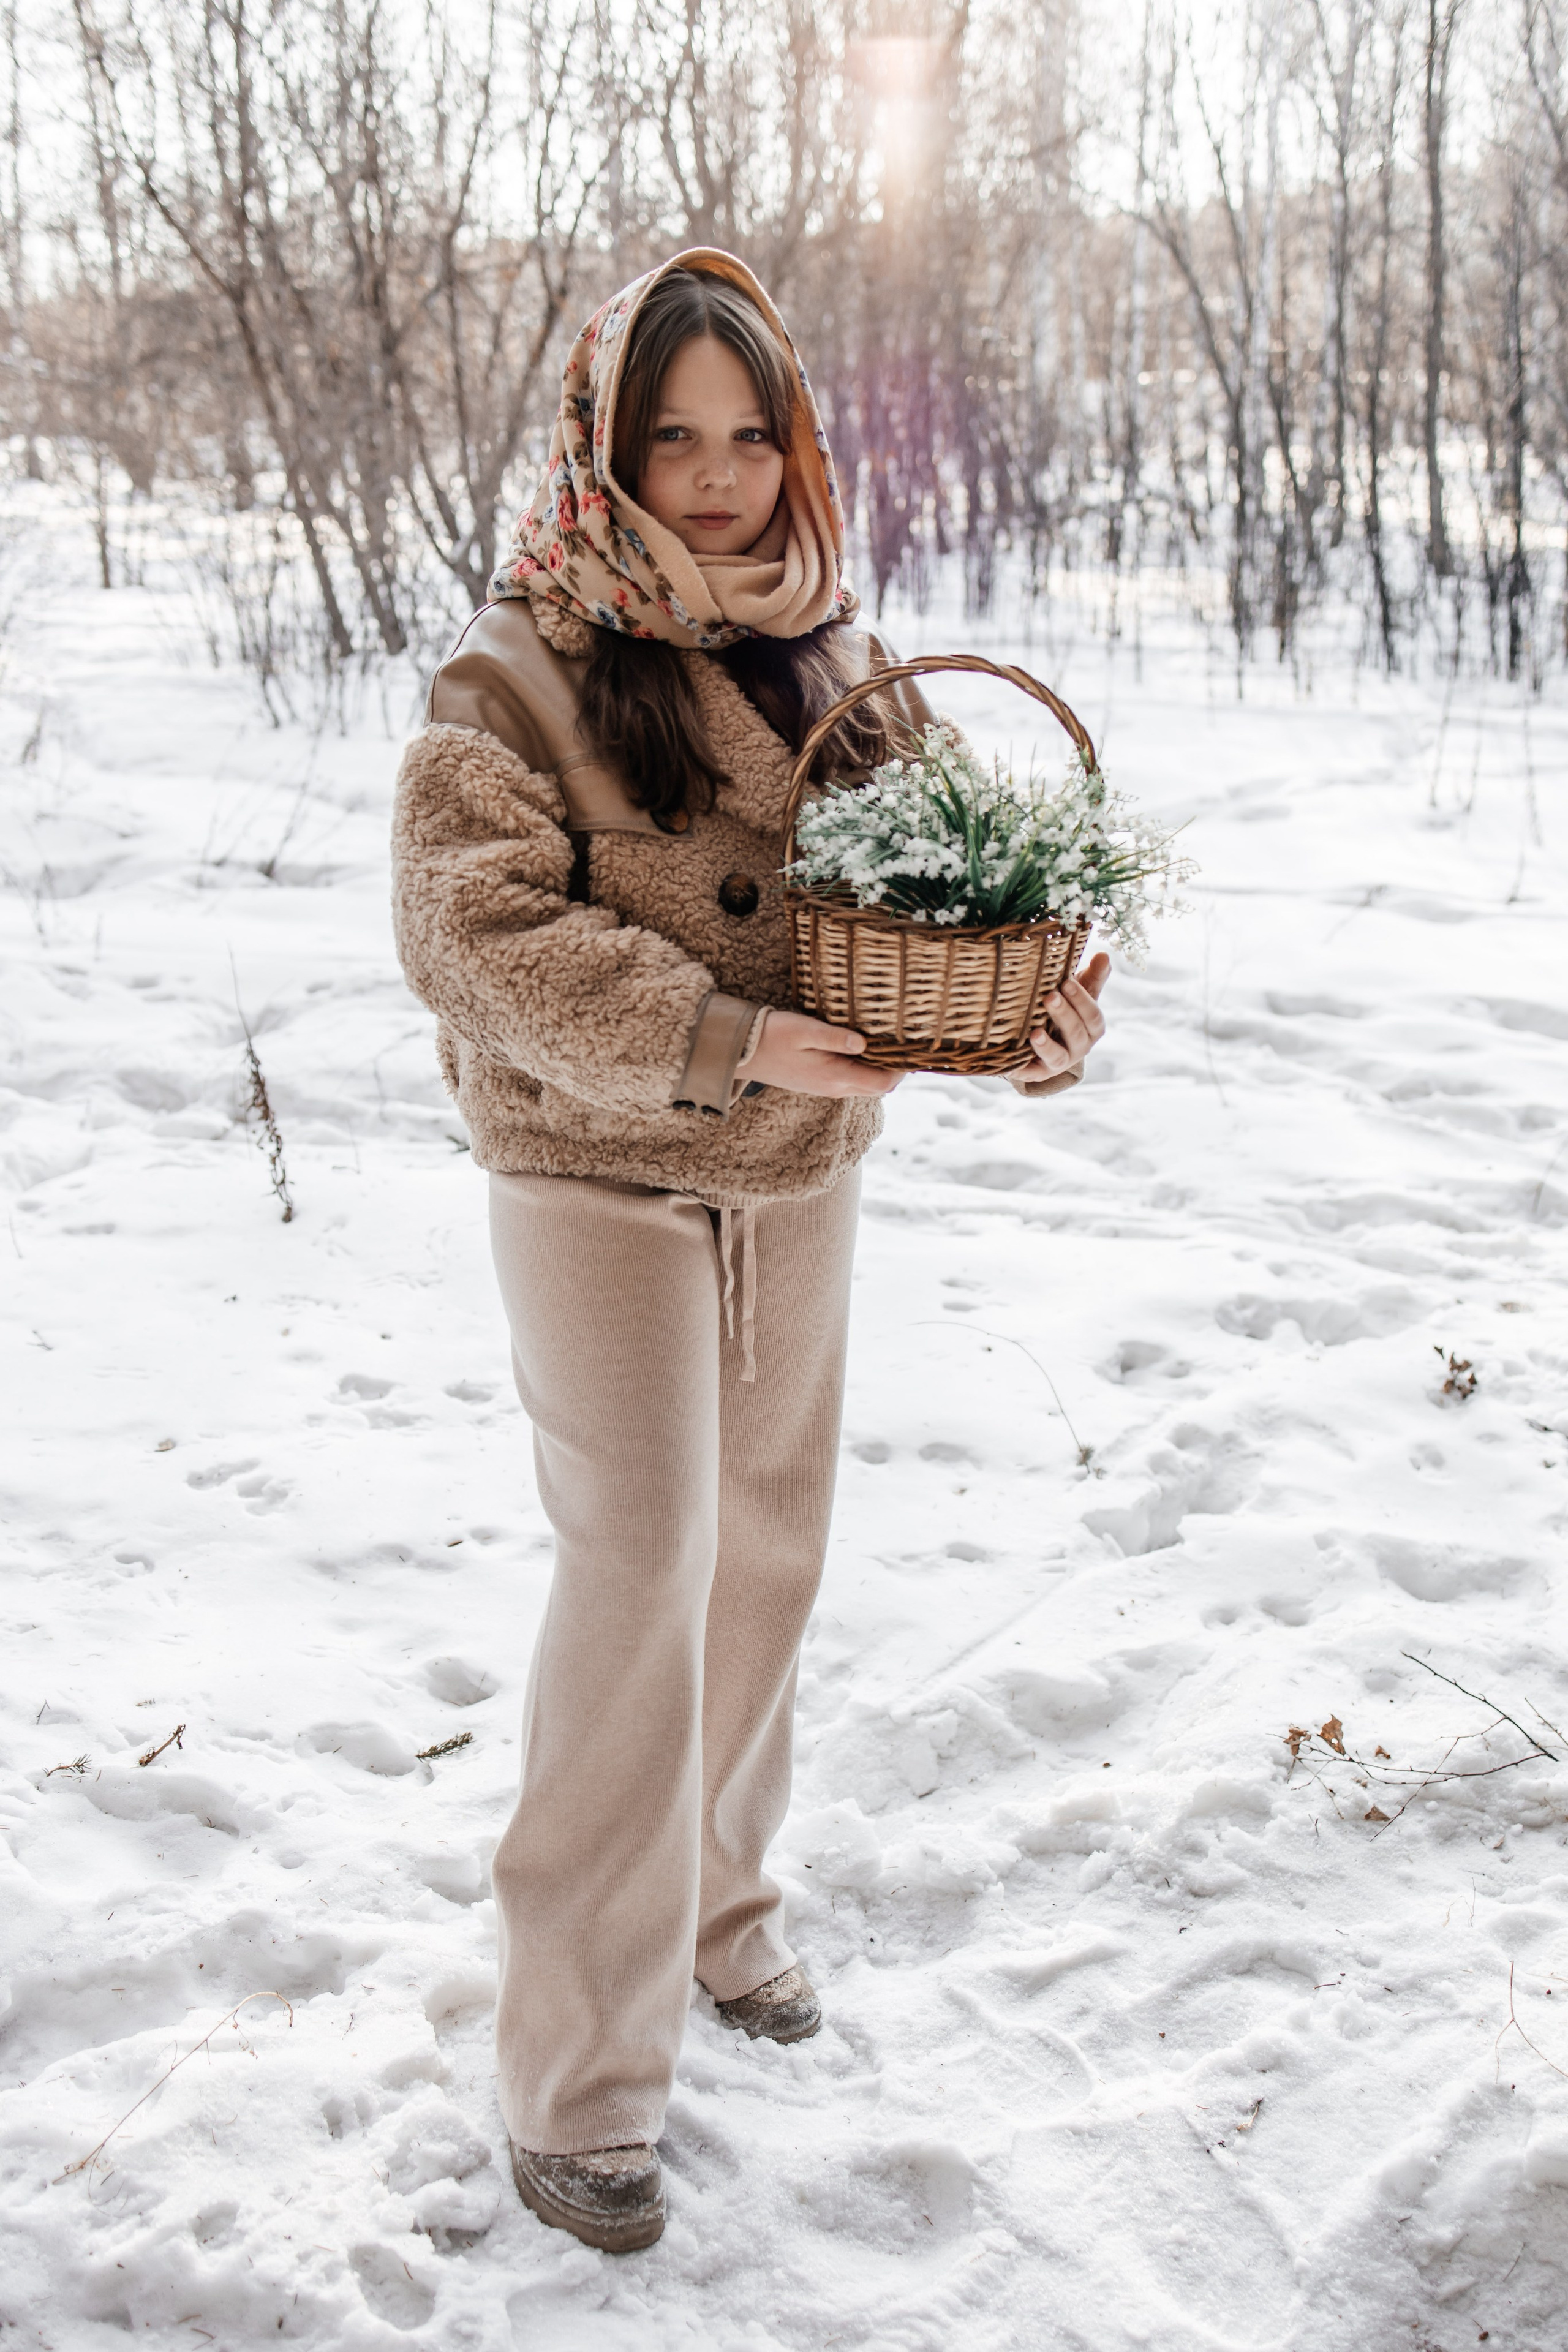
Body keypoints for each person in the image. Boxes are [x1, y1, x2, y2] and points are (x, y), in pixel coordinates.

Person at [391, 249, 1110, 2254]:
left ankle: (720, 1915)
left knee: (769, 1556)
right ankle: (578, 2077)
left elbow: (968, 909)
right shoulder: (518, 667)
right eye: (669, 438)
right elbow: (477, 932)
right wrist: (720, 1031)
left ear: (796, 444)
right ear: (604, 451)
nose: (713, 479)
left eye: (747, 435)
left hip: (800, 1176)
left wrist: (1031, 1017)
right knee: (641, 1570)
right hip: (593, 1170)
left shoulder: (843, 661)